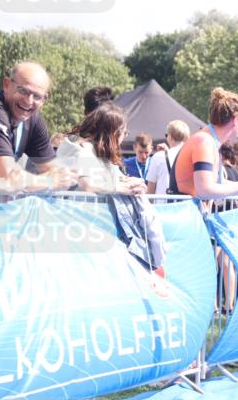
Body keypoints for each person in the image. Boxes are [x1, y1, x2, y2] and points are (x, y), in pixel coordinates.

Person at [55, 103, 168, 277]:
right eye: (124, 133)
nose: (124, 137)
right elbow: (88, 184)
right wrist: (120, 187)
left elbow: (105, 176)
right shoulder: (82, 149)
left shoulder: (91, 148)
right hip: (81, 230)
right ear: (114, 132)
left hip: (89, 230)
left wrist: (129, 182)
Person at [0, 61, 76, 200]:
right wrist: (48, 182)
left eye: (37, 96)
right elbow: (9, 177)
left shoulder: (34, 120)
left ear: (44, 99)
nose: (29, 101)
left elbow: (56, 172)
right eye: (23, 91)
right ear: (6, 85)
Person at [172, 87, 238, 198]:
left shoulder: (210, 141)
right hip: (183, 212)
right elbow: (204, 190)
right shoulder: (204, 142)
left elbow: (216, 185)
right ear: (236, 120)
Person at [146, 120, 190, 196]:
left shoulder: (158, 157)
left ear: (170, 137)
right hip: (185, 204)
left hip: (162, 205)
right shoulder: (191, 156)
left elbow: (151, 188)